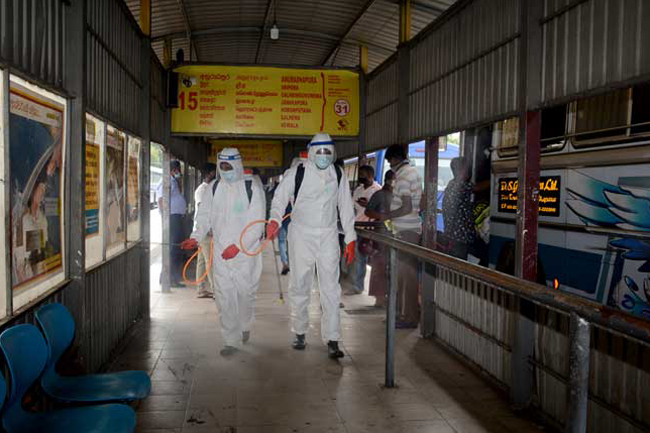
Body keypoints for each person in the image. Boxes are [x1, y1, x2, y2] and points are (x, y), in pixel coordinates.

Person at [267, 133, 356, 359]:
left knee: (331, 288)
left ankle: (333, 338)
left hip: (327, 234)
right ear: (312, 151)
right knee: (300, 284)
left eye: (328, 152)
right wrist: (274, 220)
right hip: (301, 235)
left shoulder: (337, 174)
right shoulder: (297, 172)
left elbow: (345, 205)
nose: (324, 156)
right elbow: (279, 198)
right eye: (320, 152)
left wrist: (351, 237)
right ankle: (299, 331)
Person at [182, 148, 266, 356]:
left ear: (237, 165)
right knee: (223, 295)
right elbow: (204, 216)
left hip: (245, 252)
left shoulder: (251, 187)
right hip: (220, 251)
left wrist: (238, 246)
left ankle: (245, 324)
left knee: (245, 294)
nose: (226, 170)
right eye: (223, 167)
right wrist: (195, 236)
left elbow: (257, 224)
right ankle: (231, 340)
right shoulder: (214, 187)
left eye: (229, 167)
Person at [384, 144, 423, 329]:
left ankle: (409, 317)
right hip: (409, 229)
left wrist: (388, 215)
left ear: (394, 159)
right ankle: (403, 314)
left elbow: (406, 207)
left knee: (407, 276)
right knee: (403, 275)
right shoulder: (411, 172)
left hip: (406, 231)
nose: (390, 164)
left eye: (390, 160)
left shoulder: (403, 176)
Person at [345, 165, 382, 295]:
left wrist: (368, 205)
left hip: (370, 228)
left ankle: (359, 285)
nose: (361, 177)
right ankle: (356, 285)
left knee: (365, 256)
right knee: (357, 257)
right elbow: (351, 206)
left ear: (371, 176)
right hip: (357, 225)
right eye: (360, 174)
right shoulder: (358, 190)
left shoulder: (378, 190)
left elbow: (380, 210)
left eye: (363, 174)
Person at [364, 170, 396, 307]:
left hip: (395, 236)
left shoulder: (399, 195)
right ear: (388, 180)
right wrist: (382, 216)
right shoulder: (379, 195)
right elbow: (368, 211)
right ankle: (380, 298)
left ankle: (392, 297)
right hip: (381, 236)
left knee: (392, 268)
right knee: (380, 267)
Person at [157, 160, 187, 287]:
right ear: (173, 169)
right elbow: (160, 199)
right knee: (173, 248)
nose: (179, 172)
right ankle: (168, 278)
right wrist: (165, 217)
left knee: (176, 248)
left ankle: (173, 277)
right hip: (172, 218)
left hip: (176, 217)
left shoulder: (173, 181)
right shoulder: (166, 181)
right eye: (177, 169)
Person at [441, 157, 475, 260]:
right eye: (467, 168)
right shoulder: (461, 186)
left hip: (453, 237)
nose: (469, 171)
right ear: (460, 170)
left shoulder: (451, 184)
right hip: (460, 238)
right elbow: (478, 188)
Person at [193, 163, 217, 298]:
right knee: (210, 261)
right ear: (209, 174)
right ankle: (216, 290)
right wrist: (208, 228)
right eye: (214, 173)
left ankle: (201, 288)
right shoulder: (202, 190)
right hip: (204, 231)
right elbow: (202, 209)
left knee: (202, 260)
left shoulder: (209, 189)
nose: (215, 176)